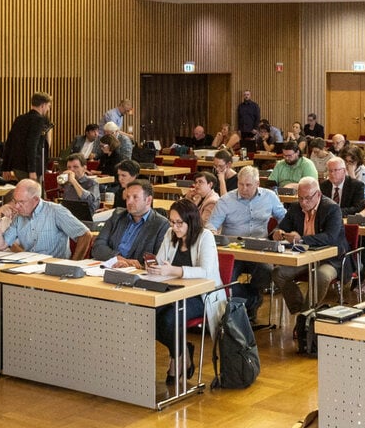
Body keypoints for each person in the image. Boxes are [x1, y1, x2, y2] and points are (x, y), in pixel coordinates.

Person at [147, 199, 225, 385]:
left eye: (179, 223)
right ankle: (182, 352)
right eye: (172, 222)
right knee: (147, 315)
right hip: (172, 291)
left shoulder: (205, 236)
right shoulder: (169, 234)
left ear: (191, 221)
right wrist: (153, 268)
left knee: (168, 320)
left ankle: (178, 359)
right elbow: (160, 261)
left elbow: (207, 272)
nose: (175, 227)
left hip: (201, 295)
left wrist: (174, 270)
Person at [207, 165, 287, 320]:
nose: (243, 188)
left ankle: (251, 300)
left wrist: (279, 230)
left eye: (248, 185)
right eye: (240, 184)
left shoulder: (269, 197)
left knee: (267, 273)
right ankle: (251, 300)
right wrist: (211, 232)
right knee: (226, 281)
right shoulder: (225, 200)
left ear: (257, 184)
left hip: (259, 250)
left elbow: (285, 219)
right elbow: (211, 225)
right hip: (233, 251)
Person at [271, 177, 348, 317]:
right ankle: (302, 311)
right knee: (278, 273)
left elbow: (330, 237)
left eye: (307, 198)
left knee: (321, 275)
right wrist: (278, 233)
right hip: (303, 256)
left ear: (318, 194)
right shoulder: (295, 207)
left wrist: (302, 239)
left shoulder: (332, 208)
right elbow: (281, 227)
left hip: (331, 258)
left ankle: (304, 317)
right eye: (300, 198)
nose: (303, 203)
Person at [0, 179, 91, 259]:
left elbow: (85, 235)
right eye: (15, 201)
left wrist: (73, 265)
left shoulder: (56, 211)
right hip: (29, 267)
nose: (16, 206)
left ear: (35, 200)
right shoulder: (19, 216)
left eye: (21, 202)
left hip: (53, 269)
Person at [91, 180, 170, 267]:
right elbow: (97, 247)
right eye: (128, 197)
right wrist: (119, 259)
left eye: (135, 197)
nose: (129, 202)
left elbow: (158, 260)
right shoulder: (117, 216)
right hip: (110, 267)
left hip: (137, 274)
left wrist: (131, 265)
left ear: (148, 200)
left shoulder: (161, 225)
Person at [3, 92, 51, 182]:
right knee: (35, 194)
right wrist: (32, 170)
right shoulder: (39, 120)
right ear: (43, 105)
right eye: (48, 106)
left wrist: (6, 167)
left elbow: (9, 143)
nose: (48, 109)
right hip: (30, 168)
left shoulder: (19, 119)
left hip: (17, 167)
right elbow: (32, 145)